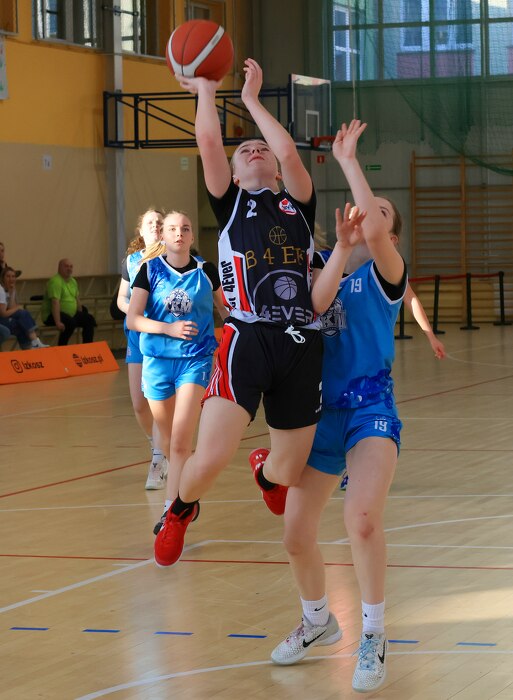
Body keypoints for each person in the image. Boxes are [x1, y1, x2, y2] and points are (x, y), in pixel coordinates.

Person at [152, 58, 366, 568]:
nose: (253, 150)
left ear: (275, 166)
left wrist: (251, 99)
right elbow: (209, 142)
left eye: (260, 148)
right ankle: (179, 510)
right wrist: (207, 89)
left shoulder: (298, 204)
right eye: (244, 150)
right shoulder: (230, 203)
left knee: (288, 471)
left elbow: (288, 150)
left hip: (301, 342)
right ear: (234, 172)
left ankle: (266, 474)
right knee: (210, 457)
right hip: (247, 337)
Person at [269, 120, 407, 694]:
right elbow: (300, 307)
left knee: (362, 519)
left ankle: (373, 634)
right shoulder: (323, 268)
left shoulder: (385, 276)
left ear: (389, 233)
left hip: (371, 408)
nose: (368, 214)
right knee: (295, 534)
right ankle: (318, 620)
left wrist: (349, 160)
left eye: (380, 213)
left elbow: (371, 227)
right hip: (319, 415)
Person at [127, 210, 227, 533]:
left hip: (194, 361)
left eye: (185, 228)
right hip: (157, 361)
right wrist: (167, 329)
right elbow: (133, 318)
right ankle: (185, 497)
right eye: (172, 229)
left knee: (182, 440)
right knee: (169, 438)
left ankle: (171, 512)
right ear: (163, 236)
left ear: (192, 236)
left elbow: (226, 309)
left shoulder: (205, 271)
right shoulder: (149, 270)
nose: (179, 233)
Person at [117, 208, 168, 490]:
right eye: (150, 222)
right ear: (140, 230)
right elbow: (121, 299)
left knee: (157, 401)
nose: (155, 226)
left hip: (162, 336)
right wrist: (136, 313)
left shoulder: (172, 257)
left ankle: (159, 460)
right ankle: (156, 444)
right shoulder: (132, 261)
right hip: (138, 334)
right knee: (139, 403)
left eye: (160, 222)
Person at [41, 259, 96, 345]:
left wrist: (80, 314)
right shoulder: (55, 282)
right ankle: (62, 348)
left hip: (70, 314)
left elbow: (77, 299)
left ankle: (87, 347)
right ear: (59, 268)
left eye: (71, 267)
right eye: (66, 266)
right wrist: (58, 322)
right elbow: (55, 302)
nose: (69, 269)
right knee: (70, 323)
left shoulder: (73, 281)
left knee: (89, 319)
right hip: (53, 315)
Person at [0, 266, 48, 349]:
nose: (11, 279)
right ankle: (33, 343)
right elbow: (3, 313)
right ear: (3, 278)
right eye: (8, 276)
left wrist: (12, 292)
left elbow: (11, 307)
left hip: (4, 319)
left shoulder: (7, 290)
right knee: (22, 315)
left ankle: (31, 347)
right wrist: (18, 308)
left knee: (20, 322)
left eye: (13, 276)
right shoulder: (0, 290)